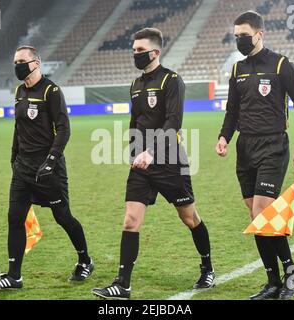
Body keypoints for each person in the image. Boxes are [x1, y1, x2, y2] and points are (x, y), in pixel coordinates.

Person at [92, 28, 215, 300]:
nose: (135, 54)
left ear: (155, 52)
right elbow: (135, 122)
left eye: (140, 50)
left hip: (169, 160)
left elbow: (174, 123)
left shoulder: (172, 81)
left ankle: (207, 267)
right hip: (141, 164)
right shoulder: (136, 84)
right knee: (130, 221)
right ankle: (122, 284)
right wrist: (133, 151)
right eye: (134, 50)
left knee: (189, 218)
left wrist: (150, 150)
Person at [215, 11, 294, 300]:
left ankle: (291, 269)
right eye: (236, 37)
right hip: (245, 147)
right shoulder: (237, 70)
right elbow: (232, 110)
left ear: (260, 34)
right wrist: (224, 137)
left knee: (262, 212)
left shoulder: (281, 64)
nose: (240, 41)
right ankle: (272, 282)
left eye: (244, 35)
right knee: (258, 217)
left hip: (273, 146)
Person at [0, 46, 93, 290]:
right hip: (23, 169)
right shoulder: (19, 90)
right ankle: (14, 276)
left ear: (36, 62)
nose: (17, 66)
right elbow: (18, 126)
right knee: (15, 218)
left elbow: (64, 129)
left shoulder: (51, 91)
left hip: (48, 170)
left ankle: (85, 260)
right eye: (15, 62)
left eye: (22, 61)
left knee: (63, 217)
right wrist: (14, 156)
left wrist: (51, 161)